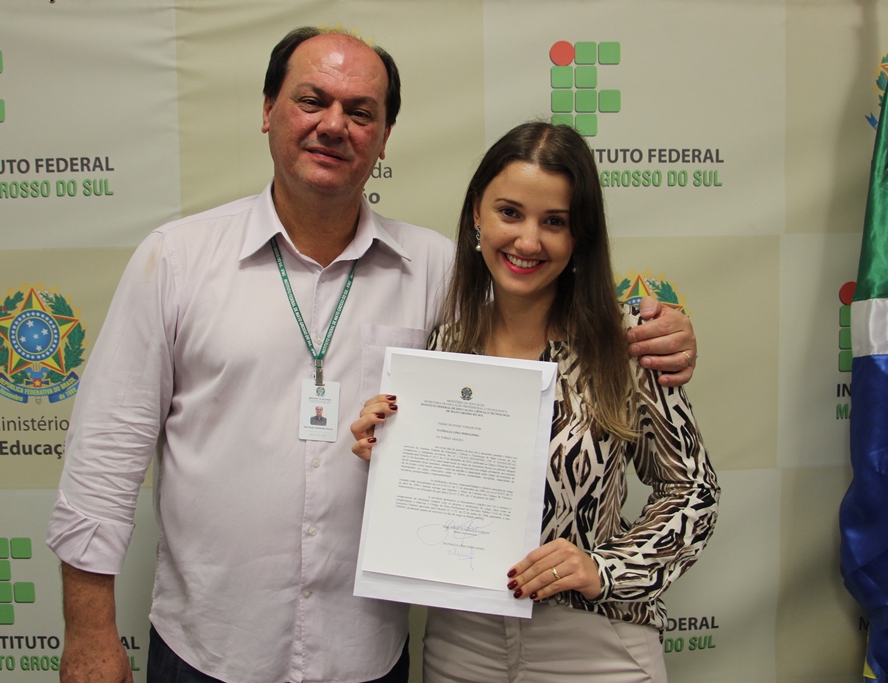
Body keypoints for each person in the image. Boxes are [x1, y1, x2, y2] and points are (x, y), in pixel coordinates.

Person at [47, 26, 699, 683]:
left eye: (360, 112)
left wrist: (659, 332)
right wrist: (90, 632)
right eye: (312, 100)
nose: (334, 125)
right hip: (210, 648)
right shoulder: (178, 260)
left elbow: (542, 314)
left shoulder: (439, 273)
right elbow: (105, 451)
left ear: (384, 137)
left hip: (364, 655)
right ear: (268, 109)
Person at [351, 122, 719, 683]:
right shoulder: (444, 343)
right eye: (510, 212)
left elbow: (693, 492)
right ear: (478, 213)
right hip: (462, 642)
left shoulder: (625, 343)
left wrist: (605, 568)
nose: (528, 241)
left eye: (554, 222)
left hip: (593, 647)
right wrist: (388, 449)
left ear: (579, 236)